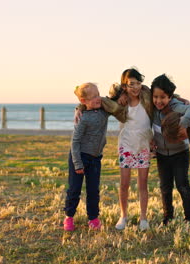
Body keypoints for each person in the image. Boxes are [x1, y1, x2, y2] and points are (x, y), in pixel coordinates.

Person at [64, 82, 125, 231]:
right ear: (84, 101)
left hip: (95, 159)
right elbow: (75, 142)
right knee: (74, 190)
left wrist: (119, 93)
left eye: (98, 94)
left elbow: (113, 102)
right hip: (79, 157)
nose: (98, 99)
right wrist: (78, 164)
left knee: (93, 190)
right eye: (93, 97)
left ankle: (93, 218)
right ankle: (69, 217)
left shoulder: (103, 111)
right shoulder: (83, 118)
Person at [151, 74, 190, 225]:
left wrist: (183, 123)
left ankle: (189, 218)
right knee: (165, 187)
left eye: (163, 97)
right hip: (161, 155)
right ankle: (168, 217)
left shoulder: (175, 106)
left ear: (170, 97)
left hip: (180, 154)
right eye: (156, 97)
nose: (159, 101)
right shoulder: (152, 108)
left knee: (182, 186)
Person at [113, 68, 154, 231]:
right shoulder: (120, 102)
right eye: (131, 84)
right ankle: (123, 216)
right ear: (124, 86)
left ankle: (143, 218)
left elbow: (163, 95)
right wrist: (79, 108)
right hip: (126, 146)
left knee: (143, 184)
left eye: (138, 83)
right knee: (124, 184)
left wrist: (182, 99)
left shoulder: (147, 98)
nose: (135, 87)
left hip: (144, 146)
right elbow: (100, 101)